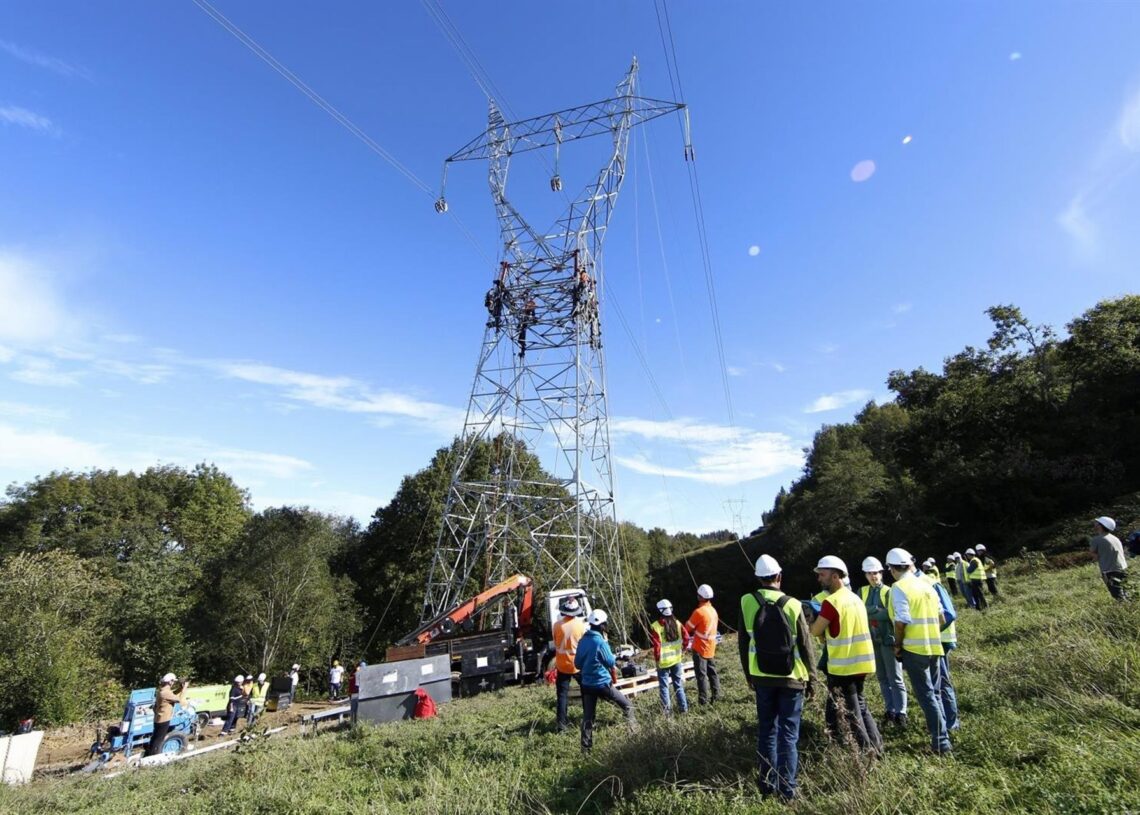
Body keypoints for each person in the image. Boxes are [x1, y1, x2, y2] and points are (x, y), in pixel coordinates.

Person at [739, 554, 817, 802]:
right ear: (779, 577)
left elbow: (743, 642)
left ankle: (766, 784)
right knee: (789, 735)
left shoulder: (746, 602)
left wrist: (748, 674)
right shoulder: (793, 604)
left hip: (761, 677)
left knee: (766, 732)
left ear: (758, 579)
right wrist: (812, 678)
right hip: (791, 679)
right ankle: (788, 790)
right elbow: (806, 646)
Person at [809, 556, 882, 755]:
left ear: (835, 576)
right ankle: (877, 746)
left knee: (852, 713)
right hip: (863, 662)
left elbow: (816, 631)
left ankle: (867, 754)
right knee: (861, 705)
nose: (819, 579)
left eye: (822, 575)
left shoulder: (831, 602)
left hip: (843, 665)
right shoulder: (855, 598)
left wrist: (810, 620)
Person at [886, 548, 951, 755]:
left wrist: (897, 645)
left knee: (927, 695)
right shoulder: (927, 586)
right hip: (935, 647)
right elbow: (942, 618)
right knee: (936, 692)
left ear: (892, 568)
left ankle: (941, 742)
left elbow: (901, 620)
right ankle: (944, 733)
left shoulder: (899, 587)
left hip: (915, 650)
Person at [574, 609, 635, 752]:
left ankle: (585, 748)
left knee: (588, 717)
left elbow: (577, 664)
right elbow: (609, 662)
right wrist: (617, 656)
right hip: (602, 684)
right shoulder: (600, 642)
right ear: (602, 626)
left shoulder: (583, 640)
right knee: (628, 706)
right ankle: (634, 736)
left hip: (587, 685)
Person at [860, 557, 907, 728]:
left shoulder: (889, 591)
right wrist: (875, 610)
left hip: (888, 639)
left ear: (881, 573)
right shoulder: (862, 591)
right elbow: (860, 612)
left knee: (895, 677)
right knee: (882, 677)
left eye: (876, 573)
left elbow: (889, 614)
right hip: (872, 640)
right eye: (870, 573)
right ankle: (890, 710)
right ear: (865, 575)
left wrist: (871, 612)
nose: (874, 576)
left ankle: (901, 713)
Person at [546, 595, 587, 732]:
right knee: (586, 692)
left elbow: (556, 641)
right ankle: (588, 719)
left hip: (562, 664)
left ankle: (561, 725)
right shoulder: (580, 626)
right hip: (577, 664)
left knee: (562, 696)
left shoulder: (557, 626)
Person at [650, 599, 691, 715]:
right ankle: (684, 710)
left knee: (664, 687)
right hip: (677, 659)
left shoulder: (656, 626)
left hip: (663, 662)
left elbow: (657, 646)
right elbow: (687, 638)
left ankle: (667, 713)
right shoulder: (678, 623)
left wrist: (657, 660)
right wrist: (682, 649)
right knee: (678, 684)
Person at [929, 577, 960, 732]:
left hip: (939, 641)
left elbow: (949, 613)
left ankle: (950, 724)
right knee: (938, 681)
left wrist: (932, 631)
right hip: (933, 641)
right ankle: (946, 721)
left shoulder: (931, 583)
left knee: (942, 681)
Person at [684, 583, 721, 705]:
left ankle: (703, 701)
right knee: (712, 673)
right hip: (711, 647)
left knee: (701, 675)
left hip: (700, 648)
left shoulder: (699, 612)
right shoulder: (713, 611)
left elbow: (687, 628)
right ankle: (716, 696)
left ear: (700, 597)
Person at [146, 673, 190, 756]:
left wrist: (180, 688)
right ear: (170, 682)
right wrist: (184, 688)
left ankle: (150, 753)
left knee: (155, 738)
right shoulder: (166, 693)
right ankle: (153, 756)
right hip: (164, 719)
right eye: (173, 682)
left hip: (159, 718)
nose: (173, 683)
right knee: (158, 739)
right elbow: (179, 700)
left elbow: (173, 693)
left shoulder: (163, 690)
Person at [1089, 516, 1129, 600]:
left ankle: (1124, 611)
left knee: (1118, 596)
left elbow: (1094, 555)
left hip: (1109, 571)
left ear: (1100, 526)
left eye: (1097, 523)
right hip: (1123, 568)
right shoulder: (1115, 538)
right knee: (1126, 593)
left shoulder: (1096, 539)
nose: (1094, 524)